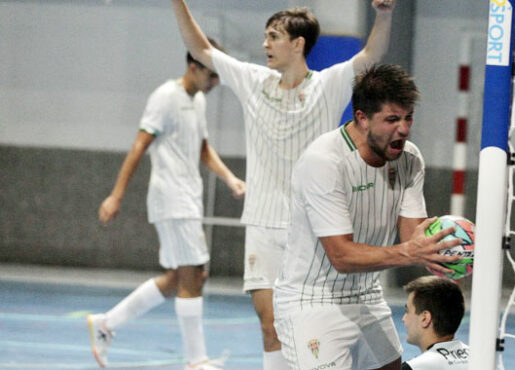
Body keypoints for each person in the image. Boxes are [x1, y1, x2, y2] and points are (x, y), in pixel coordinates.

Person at [169, 1, 398, 368]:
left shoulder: (329, 84)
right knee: (270, 327)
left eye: (273, 37)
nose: (265, 45)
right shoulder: (253, 81)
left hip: (313, 229)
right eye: (266, 37)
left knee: (313, 327)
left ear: (298, 44)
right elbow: (202, 50)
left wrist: (384, 14)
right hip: (263, 224)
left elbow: (372, 53)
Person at [273, 64, 462, 370]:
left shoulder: (409, 158)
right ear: (361, 118)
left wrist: (442, 249)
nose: (403, 128)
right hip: (314, 300)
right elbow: (342, 256)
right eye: (391, 119)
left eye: (408, 117)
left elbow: (412, 237)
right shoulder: (325, 162)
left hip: (367, 293)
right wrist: (409, 252)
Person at [87, 39, 246, 370]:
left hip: (189, 196)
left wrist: (230, 178)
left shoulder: (198, 100)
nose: (216, 83)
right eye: (212, 75)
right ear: (193, 66)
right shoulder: (164, 97)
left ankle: (106, 323)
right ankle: (196, 361)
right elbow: (139, 145)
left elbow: (203, 148)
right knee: (193, 276)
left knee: (179, 277)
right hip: (171, 198)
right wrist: (116, 195)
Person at [401, 276, 470, 370]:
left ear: (425, 318)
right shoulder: (480, 358)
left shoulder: (413, 367)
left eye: (407, 311)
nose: (404, 319)